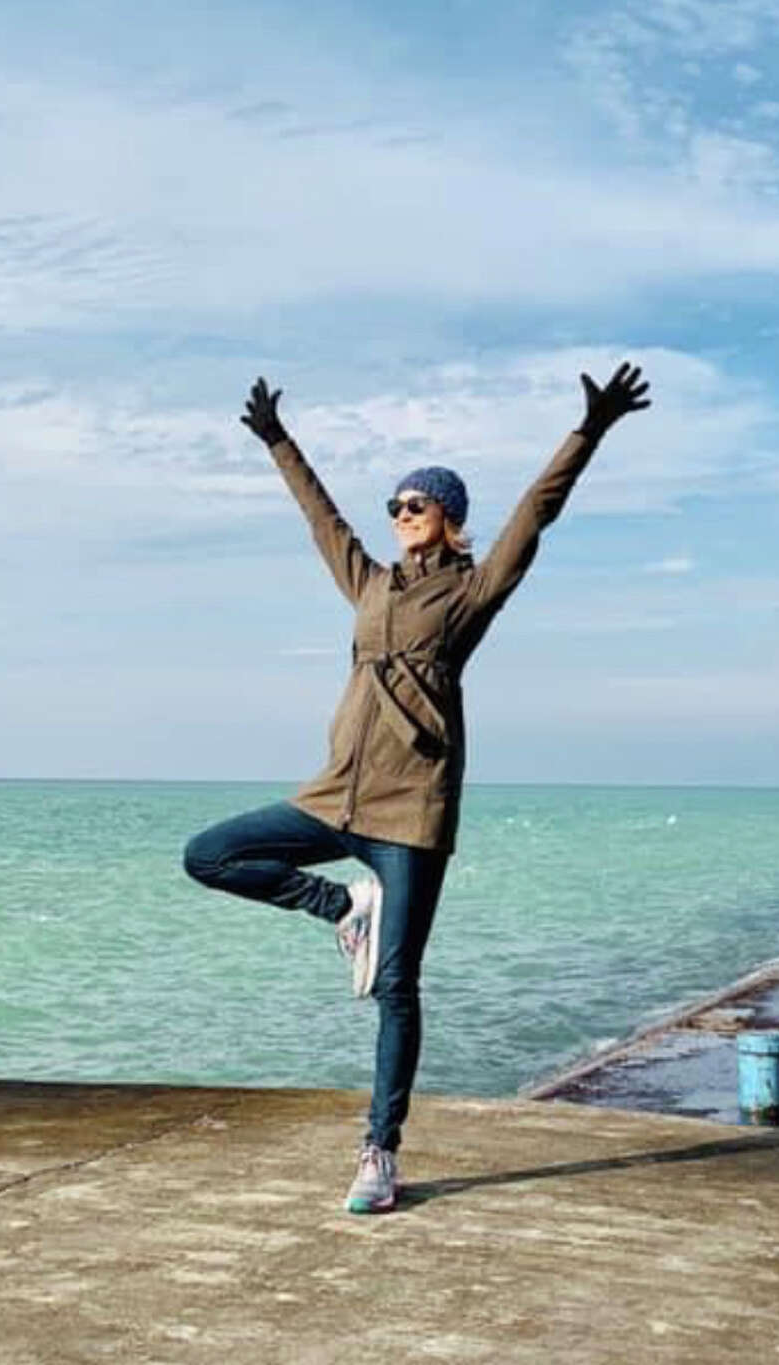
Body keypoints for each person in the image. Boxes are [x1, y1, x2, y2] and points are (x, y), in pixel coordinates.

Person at [183, 362, 650, 1212]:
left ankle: (379, 1149)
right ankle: (339, 909)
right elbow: (319, 518)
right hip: (334, 797)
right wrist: (278, 441)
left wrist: (590, 431)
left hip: (412, 812)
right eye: (395, 505)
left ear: (450, 521)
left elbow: (536, 516)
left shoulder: (470, 595)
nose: (401, 516)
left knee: (397, 985)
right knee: (209, 854)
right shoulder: (367, 582)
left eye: (417, 505)